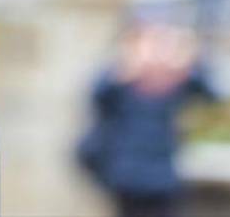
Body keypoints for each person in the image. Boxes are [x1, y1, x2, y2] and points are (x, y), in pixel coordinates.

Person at [77, 12, 220, 217]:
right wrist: (126, 70)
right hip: (127, 175)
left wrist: (190, 62)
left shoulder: (177, 78)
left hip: (163, 175)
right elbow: (98, 100)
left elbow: (213, 96)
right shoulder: (121, 78)